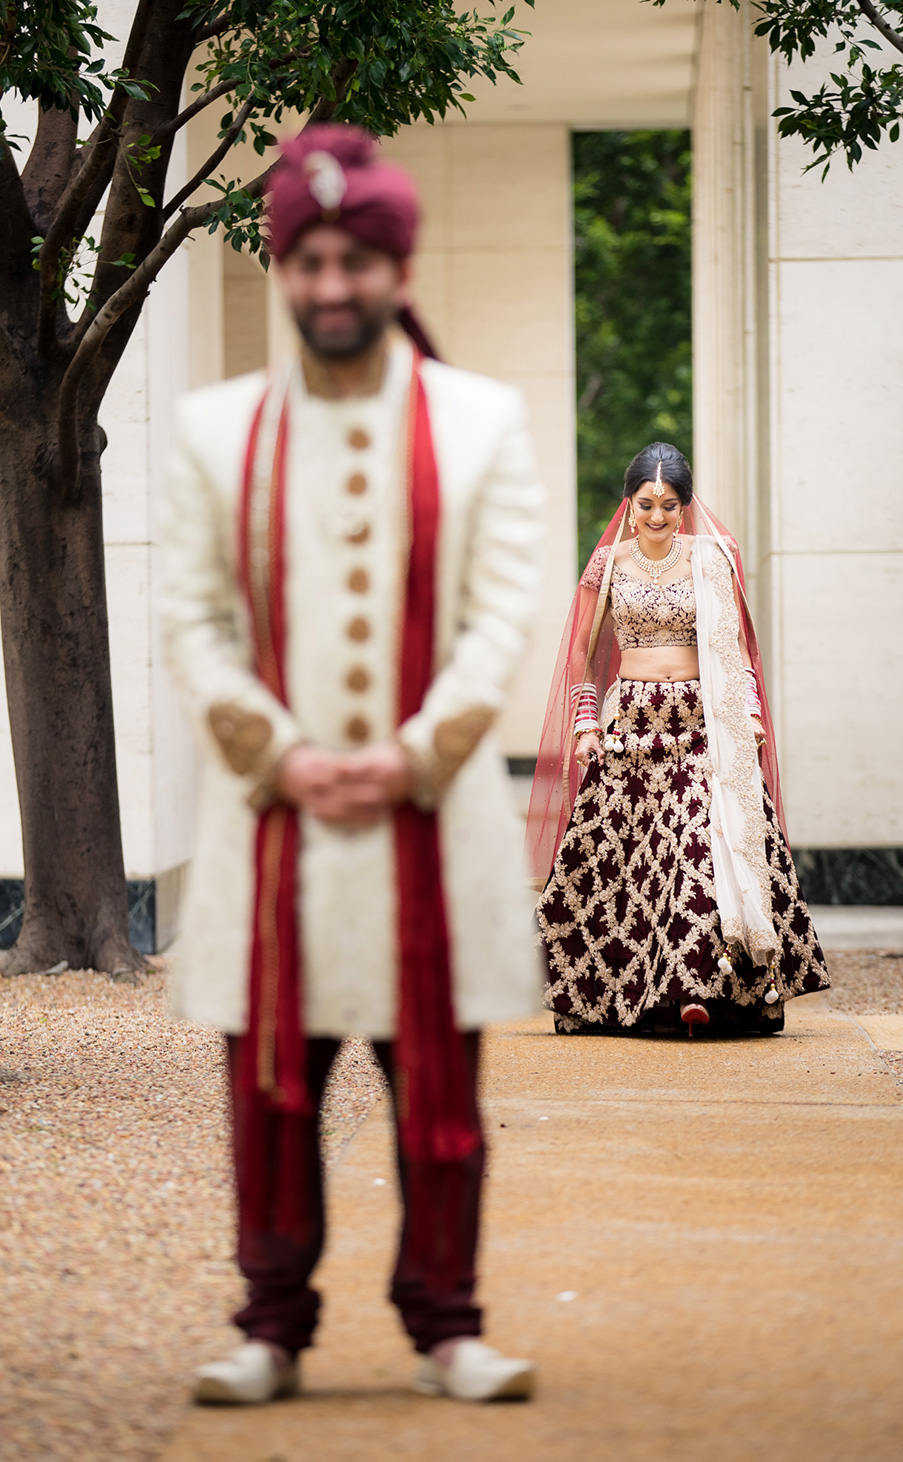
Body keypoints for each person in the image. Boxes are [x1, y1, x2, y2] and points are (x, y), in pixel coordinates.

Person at [161, 124, 542, 1405]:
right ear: (283, 268)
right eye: (309, 259)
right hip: (278, 827)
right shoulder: (216, 432)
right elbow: (191, 621)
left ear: (397, 265)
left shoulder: (485, 421)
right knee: (268, 1095)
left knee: (444, 1097)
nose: (332, 285)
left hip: (428, 823)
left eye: (356, 260)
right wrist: (282, 753)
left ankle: (449, 1324)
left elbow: (503, 613)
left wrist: (417, 753)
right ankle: (270, 1326)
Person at [526, 444, 829, 1035]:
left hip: (703, 724)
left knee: (701, 851)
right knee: (627, 863)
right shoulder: (607, 565)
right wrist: (586, 723)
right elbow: (579, 658)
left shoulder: (714, 558)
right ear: (629, 502)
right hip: (633, 727)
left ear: (686, 505)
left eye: (669, 505)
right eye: (646, 504)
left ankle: (701, 991)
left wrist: (750, 719)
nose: (658, 516)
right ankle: (618, 996)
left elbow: (735, 647)